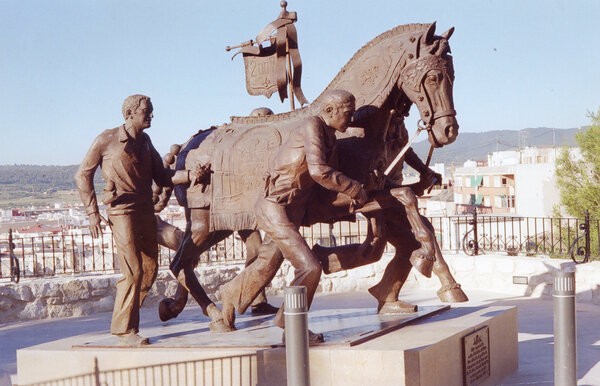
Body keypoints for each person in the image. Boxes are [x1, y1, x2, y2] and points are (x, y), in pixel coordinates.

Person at [220, 89, 368, 341]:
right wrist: (353, 187)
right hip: (274, 206)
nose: (351, 119)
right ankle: (291, 327)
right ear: (330, 111)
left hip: (294, 208)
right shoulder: (312, 125)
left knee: (268, 262)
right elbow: (319, 171)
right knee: (309, 267)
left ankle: (231, 292)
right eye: (348, 113)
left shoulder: (328, 134)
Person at [75, 94, 201, 347]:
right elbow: (82, 175)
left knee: (149, 269)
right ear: (130, 113)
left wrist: (190, 175)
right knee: (133, 270)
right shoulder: (107, 139)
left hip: (145, 210)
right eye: (147, 111)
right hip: (122, 212)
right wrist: (92, 213)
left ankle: (129, 312)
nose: (151, 115)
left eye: (151, 111)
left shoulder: (145, 141)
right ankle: (123, 330)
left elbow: (163, 176)